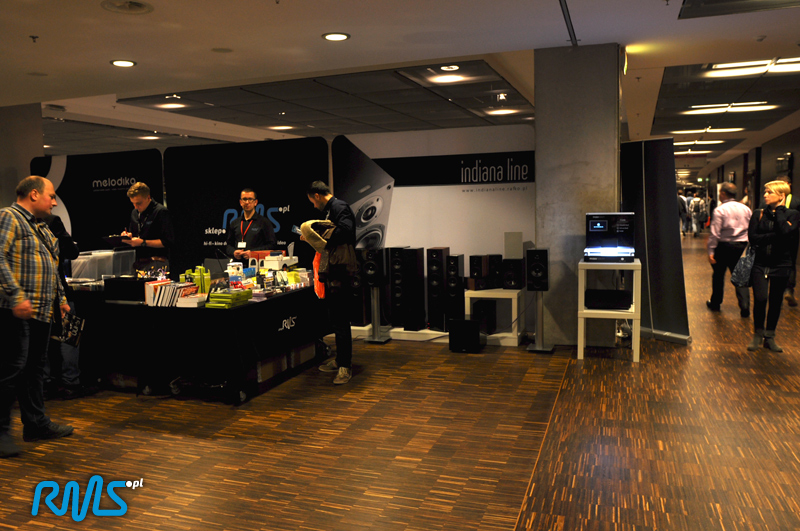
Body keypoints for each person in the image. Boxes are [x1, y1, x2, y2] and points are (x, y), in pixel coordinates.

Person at [0, 176, 74, 458]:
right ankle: (0, 433)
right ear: (33, 194)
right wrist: (17, 295)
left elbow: (52, 266)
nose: (54, 202)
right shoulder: (9, 218)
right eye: (51, 196)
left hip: (41, 310)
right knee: (10, 371)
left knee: (34, 370)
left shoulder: (40, 227)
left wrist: (61, 300)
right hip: (14, 309)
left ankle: (36, 424)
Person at [306, 181, 357, 385]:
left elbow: (346, 231)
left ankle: (345, 366)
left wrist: (318, 234)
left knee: (341, 319)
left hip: (341, 272)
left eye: (312, 201)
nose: (313, 205)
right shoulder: (331, 209)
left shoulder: (339, 206)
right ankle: (340, 360)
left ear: (317, 196)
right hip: (333, 271)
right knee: (336, 319)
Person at [747, 180, 800, 352]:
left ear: (781, 195)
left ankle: (769, 337)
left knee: (776, 301)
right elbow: (753, 238)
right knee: (761, 298)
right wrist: (775, 236)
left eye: (769, 192)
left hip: (781, 264)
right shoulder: (758, 213)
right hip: (760, 264)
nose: (765, 195)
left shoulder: (793, 214)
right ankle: (758, 334)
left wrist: (780, 212)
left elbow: (785, 231)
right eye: (765, 192)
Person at [706, 182, 752, 317]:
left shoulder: (720, 210)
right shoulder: (746, 209)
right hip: (741, 246)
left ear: (723, 193)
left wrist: (711, 251)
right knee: (741, 276)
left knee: (718, 275)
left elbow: (715, 233)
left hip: (723, 246)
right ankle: (745, 306)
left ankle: (716, 303)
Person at [121, 182, 174, 271]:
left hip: (157, 262)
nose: (136, 207)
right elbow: (135, 234)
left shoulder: (160, 212)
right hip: (138, 263)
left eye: (139, 203)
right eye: (133, 203)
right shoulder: (134, 213)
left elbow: (168, 242)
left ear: (148, 197)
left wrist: (143, 242)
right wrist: (128, 236)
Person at [225, 188, 277, 262]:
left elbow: (272, 245)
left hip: (257, 264)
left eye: (250, 199)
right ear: (240, 202)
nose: (247, 202)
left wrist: (253, 253)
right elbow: (228, 246)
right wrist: (233, 252)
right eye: (244, 199)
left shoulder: (264, 222)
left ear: (255, 202)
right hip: (238, 265)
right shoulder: (234, 223)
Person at [776, 176, 799, 307]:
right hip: (790, 238)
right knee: (790, 263)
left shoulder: (769, 201)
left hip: (778, 237)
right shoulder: (796, 201)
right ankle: (788, 289)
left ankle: (780, 292)